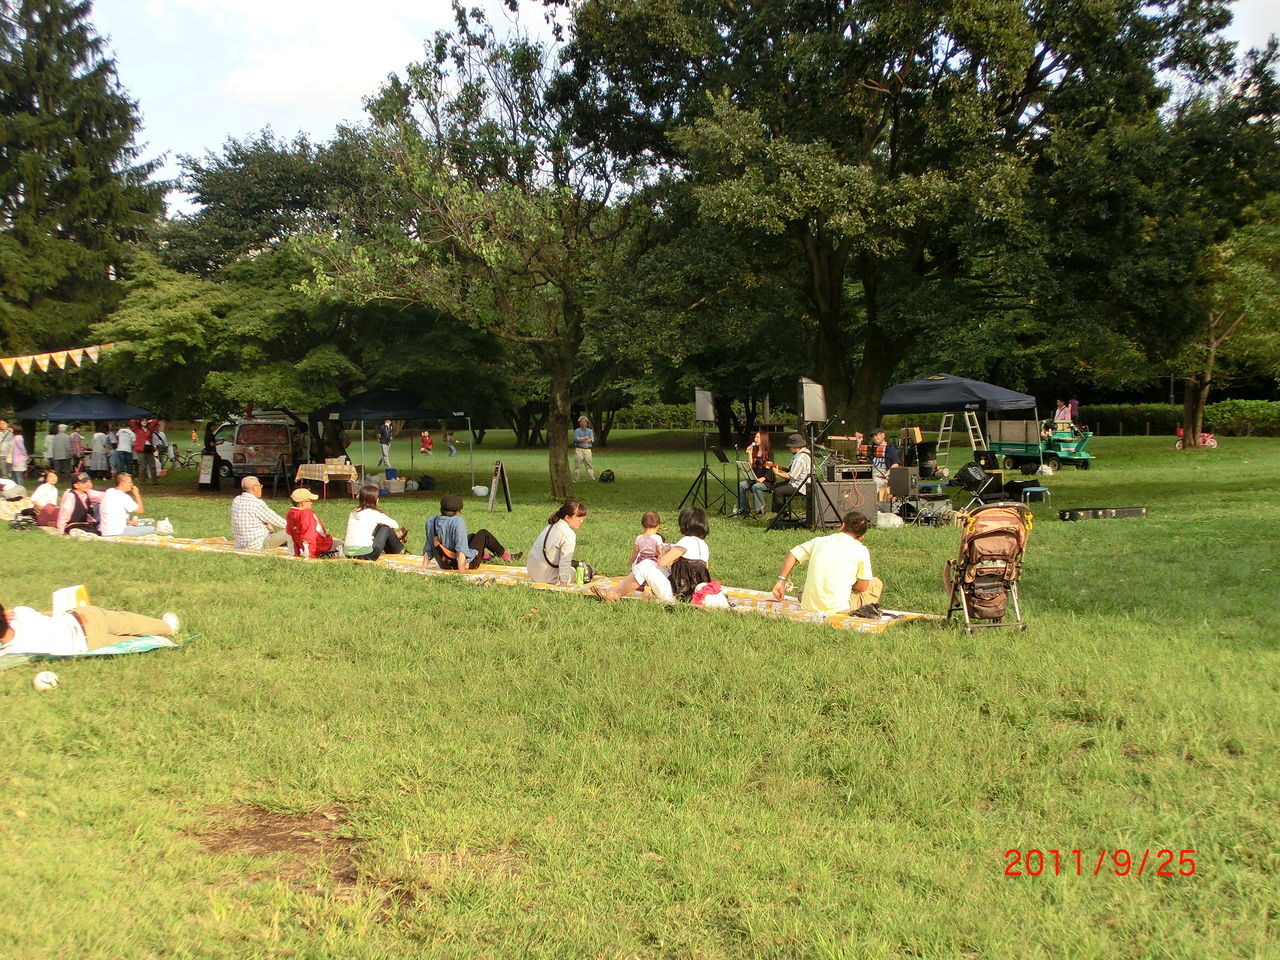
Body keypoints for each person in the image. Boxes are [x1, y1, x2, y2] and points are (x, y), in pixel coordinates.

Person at [769, 511, 884, 617]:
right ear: (862, 536)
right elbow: (862, 587)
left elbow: (793, 554)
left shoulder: (819, 541)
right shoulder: (861, 550)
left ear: (842, 526)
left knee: (805, 588)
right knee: (875, 583)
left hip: (809, 605)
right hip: (839, 608)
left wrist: (781, 581)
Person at [592, 506, 712, 604]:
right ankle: (616, 591)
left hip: (678, 596)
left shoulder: (686, 542)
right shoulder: (704, 546)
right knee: (649, 565)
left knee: (646, 565)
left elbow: (661, 562)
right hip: (692, 595)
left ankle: (615, 594)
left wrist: (664, 551)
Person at [2, 601, 179, 656]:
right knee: (128, 621)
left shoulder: (12, 650)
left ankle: (162, 641)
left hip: (88, 644)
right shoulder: (21, 613)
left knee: (132, 641)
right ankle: (167, 628)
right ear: (5, 616)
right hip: (83, 618)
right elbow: (48, 614)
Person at [424, 493, 519, 570]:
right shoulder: (457, 522)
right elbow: (460, 550)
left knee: (472, 537)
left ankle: (485, 556)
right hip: (461, 564)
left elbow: (429, 547)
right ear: (458, 512)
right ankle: (506, 556)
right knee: (483, 534)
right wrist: (461, 570)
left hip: (443, 563)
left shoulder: (431, 521)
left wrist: (424, 567)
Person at [528, 500, 587, 585]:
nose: (581, 521)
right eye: (579, 518)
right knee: (579, 571)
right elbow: (564, 562)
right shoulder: (569, 534)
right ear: (567, 517)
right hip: (546, 577)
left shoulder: (550, 526)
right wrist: (563, 585)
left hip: (532, 572)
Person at [344, 484, 406, 561]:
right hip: (366, 554)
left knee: (380, 527)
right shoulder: (375, 513)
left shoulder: (353, 512)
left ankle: (396, 550)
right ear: (376, 500)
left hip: (348, 553)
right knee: (386, 528)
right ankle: (400, 551)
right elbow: (395, 524)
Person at [230, 476, 289, 550]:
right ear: (254, 488)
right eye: (260, 486)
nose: (261, 488)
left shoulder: (236, 500)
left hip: (240, 544)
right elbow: (278, 521)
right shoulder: (256, 503)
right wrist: (295, 526)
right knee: (291, 531)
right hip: (258, 544)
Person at [284, 487, 340, 558]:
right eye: (309, 500)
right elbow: (308, 536)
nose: (311, 503)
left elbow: (290, 535)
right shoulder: (306, 514)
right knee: (345, 544)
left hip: (305, 547)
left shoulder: (290, 514)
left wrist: (294, 554)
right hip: (321, 546)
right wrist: (309, 555)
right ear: (302, 503)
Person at [99, 472, 155, 537]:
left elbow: (113, 514)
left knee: (135, 526)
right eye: (130, 482)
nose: (132, 484)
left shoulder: (109, 492)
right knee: (151, 528)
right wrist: (137, 495)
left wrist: (128, 521)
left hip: (106, 531)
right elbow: (140, 510)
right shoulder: (123, 496)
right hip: (118, 532)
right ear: (123, 483)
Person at [767, 433, 813, 511]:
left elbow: (792, 476)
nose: (789, 448)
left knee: (778, 491)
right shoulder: (805, 453)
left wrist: (777, 473)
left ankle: (780, 516)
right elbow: (793, 471)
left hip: (802, 486)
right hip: (801, 482)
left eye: (790, 446)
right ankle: (783, 511)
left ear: (795, 446)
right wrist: (779, 467)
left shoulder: (800, 458)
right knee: (776, 486)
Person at [734, 429, 773, 516]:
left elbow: (771, 468)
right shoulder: (755, 450)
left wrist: (763, 478)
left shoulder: (769, 452)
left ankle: (761, 509)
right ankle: (744, 509)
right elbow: (751, 466)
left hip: (766, 480)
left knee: (756, 486)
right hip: (754, 478)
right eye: (755, 437)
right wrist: (749, 454)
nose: (755, 439)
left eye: (758, 437)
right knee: (741, 485)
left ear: (763, 439)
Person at [56, 471, 103, 536]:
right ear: (76, 485)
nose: (88, 484)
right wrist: (61, 531)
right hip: (73, 525)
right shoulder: (71, 496)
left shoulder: (87, 493)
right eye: (84, 483)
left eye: (89, 482)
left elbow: (103, 496)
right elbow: (64, 514)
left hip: (85, 524)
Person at [865, 427, 900, 498]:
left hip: (884, 477)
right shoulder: (872, 449)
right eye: (873, 436)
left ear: (883, 435)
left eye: (877, 435)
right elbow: (861, 459)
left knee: (875, 483)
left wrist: (885, 474)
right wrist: (858, 442)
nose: (875, 438)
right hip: (871, 476)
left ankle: (874, 505)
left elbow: (896, 464)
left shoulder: (890, 448)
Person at [572, 416, 595, 482]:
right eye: (581, 421)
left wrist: (582, 439)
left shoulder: (590, 431)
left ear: (586, 423)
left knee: (589, 465)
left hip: (587, 449)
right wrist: (585, 438)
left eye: (584, 421)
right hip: (579, 449)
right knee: (577, 466)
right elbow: (576, 439)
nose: (583, 423)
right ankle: (576, 480)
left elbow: (591, 440)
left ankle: (591, 479)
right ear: (579, 423)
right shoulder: (577, 431)